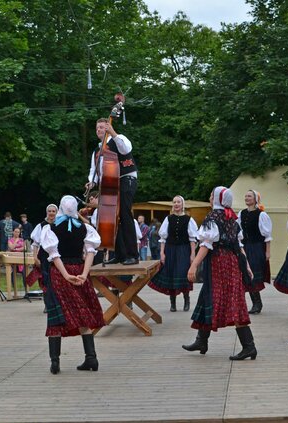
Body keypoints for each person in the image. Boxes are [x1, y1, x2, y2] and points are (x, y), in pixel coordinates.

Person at [183, 187, 257, 361]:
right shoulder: (231, 218)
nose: (209, 198)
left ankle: (249, 346)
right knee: (208, 296)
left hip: (220, 263)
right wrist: (246, 266)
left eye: (211, 195)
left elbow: (206, 245)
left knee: (232, 301)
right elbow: (238, 246)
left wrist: (193, 266)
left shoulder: (213, 218)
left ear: (217, 199)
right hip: (232, 261)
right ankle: (201, 340)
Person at [40, 195, 105, 374]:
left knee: (57, 315)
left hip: (61, 273)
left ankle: (55, 361)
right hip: (79, 269)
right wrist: (84, 273)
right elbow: (91, 252)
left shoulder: (51, 228)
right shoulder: (85, 228)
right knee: (82, 311)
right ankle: (91, 358)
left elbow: (54, 255)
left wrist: (66, 275)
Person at [85, 118, 139, 265]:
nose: (99, 130)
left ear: (108, 127)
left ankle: (133, 254)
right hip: (110, 184)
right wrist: (92, 181)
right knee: (114, 219)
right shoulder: (97, 150)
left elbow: (126, 150)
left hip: (126, 178)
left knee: (125, 214)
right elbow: (94, 170)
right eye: (97, 128)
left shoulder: (119, 138)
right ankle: (120, 254)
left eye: (102, 127)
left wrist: (113, 133)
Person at [149, 195, 198, 312]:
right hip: (170, 250)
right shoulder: (168, 219)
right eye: (174, 202)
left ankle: (186, 300)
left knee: (183, 274)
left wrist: (192, 254)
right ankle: (173, 303)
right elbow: (163, 238)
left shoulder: (188, 219)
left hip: (183, 250)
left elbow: (192, 239)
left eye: (178, 202)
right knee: (171, 274)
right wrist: (162, 253)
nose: (176, 204)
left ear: (182, 204)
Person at [238, 190, 272, 314]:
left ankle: (257, 303)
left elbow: (267, 235)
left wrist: (267, 252)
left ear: (255, 199)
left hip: (257, 247)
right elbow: (239, 232)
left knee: (253, 275)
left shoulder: (261, 215)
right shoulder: (241, 213)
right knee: (246, 274)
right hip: (245, 247)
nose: (247, 198)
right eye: (245, 196)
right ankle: (256, 302)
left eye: (249, 196)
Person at [28, 204, 58, 311]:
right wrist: (35, 258)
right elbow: (35, 243)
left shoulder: (60, 224)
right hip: (44, 256)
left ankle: (59, 304)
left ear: (56, 212)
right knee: (46, 280)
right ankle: (48, 304)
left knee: (57, 280)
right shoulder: (40, 226)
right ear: (47, 212)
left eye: (53, 211)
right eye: (49, 211)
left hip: (57, 256)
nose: (51, 213)